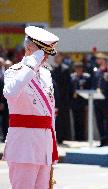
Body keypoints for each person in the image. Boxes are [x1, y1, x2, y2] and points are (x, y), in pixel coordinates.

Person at [2, 26, 59, 189]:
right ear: (29, 48)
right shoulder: (14, 72)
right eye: (43, 52)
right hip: (23, 148)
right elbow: (11, 93)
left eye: (48, 53)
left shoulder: (46, 75)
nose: (46, 57)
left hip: (44, 147)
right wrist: (31, 62)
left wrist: (52, 149)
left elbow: (49, 116)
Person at [91, 53, 108, 147]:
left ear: (104, 60)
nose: (98, 61)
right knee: (99, 121)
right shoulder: (96, 71)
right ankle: (102, 140)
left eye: (100, 59)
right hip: (97, 99)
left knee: (107, 121)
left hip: (106, 99)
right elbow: (94, 85)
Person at [51, 52, 72, 143]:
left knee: (62, 118)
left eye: (58, 57)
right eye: (55, 57)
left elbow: (68, 85)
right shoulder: (51, 69)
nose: (56, 58)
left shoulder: (65, 69)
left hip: (62, 99)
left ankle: (62, 137)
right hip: (53, 97)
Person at [71, 62, 91, 141]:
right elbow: (69, 89)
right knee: (75, 121)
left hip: (83, 102)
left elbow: (89, 88)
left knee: (82, 121)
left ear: (82, 69)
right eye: (77, 68)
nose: (78, 70)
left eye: (80, 68)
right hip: (74, 102)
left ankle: (82, 137)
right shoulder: (72, 77)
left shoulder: (86, 77)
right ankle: (76, 137)